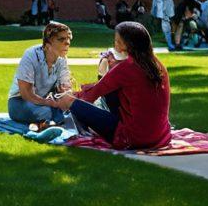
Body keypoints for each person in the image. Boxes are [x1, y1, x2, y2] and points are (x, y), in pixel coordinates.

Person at [54, 21, 172, 150]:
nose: (114, 44)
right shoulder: (158, 65)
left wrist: (70, 96)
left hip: (132, 138)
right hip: (161, 136)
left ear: (125, 45)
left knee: (68, 100)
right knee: (110, 90)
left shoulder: (126, 68)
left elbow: (91, 94)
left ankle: (57, 123)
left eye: (116, 40)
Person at [7, 21, 73, 129]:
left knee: (72, 109)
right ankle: (47, 124)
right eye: (61, 39)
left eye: (69, 39)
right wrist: (50, 103)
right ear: (47, 45)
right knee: (44, 111)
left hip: (45, 102)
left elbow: (65, 88)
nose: (67, 43)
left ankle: (44, 124)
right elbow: (26, 94)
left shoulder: (62, 60)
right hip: (20, 102)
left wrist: (66, 94)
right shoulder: (31, 55)